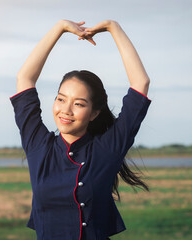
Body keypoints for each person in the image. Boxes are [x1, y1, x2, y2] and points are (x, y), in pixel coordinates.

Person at [10, 19, 151, 240]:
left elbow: (140, 83)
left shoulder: (108, 149)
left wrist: (114, 28)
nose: (65, 110)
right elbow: (25, 78)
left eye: (79, 104)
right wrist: (59, 27)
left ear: (94, 113)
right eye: (61, 99)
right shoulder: (38, 145)